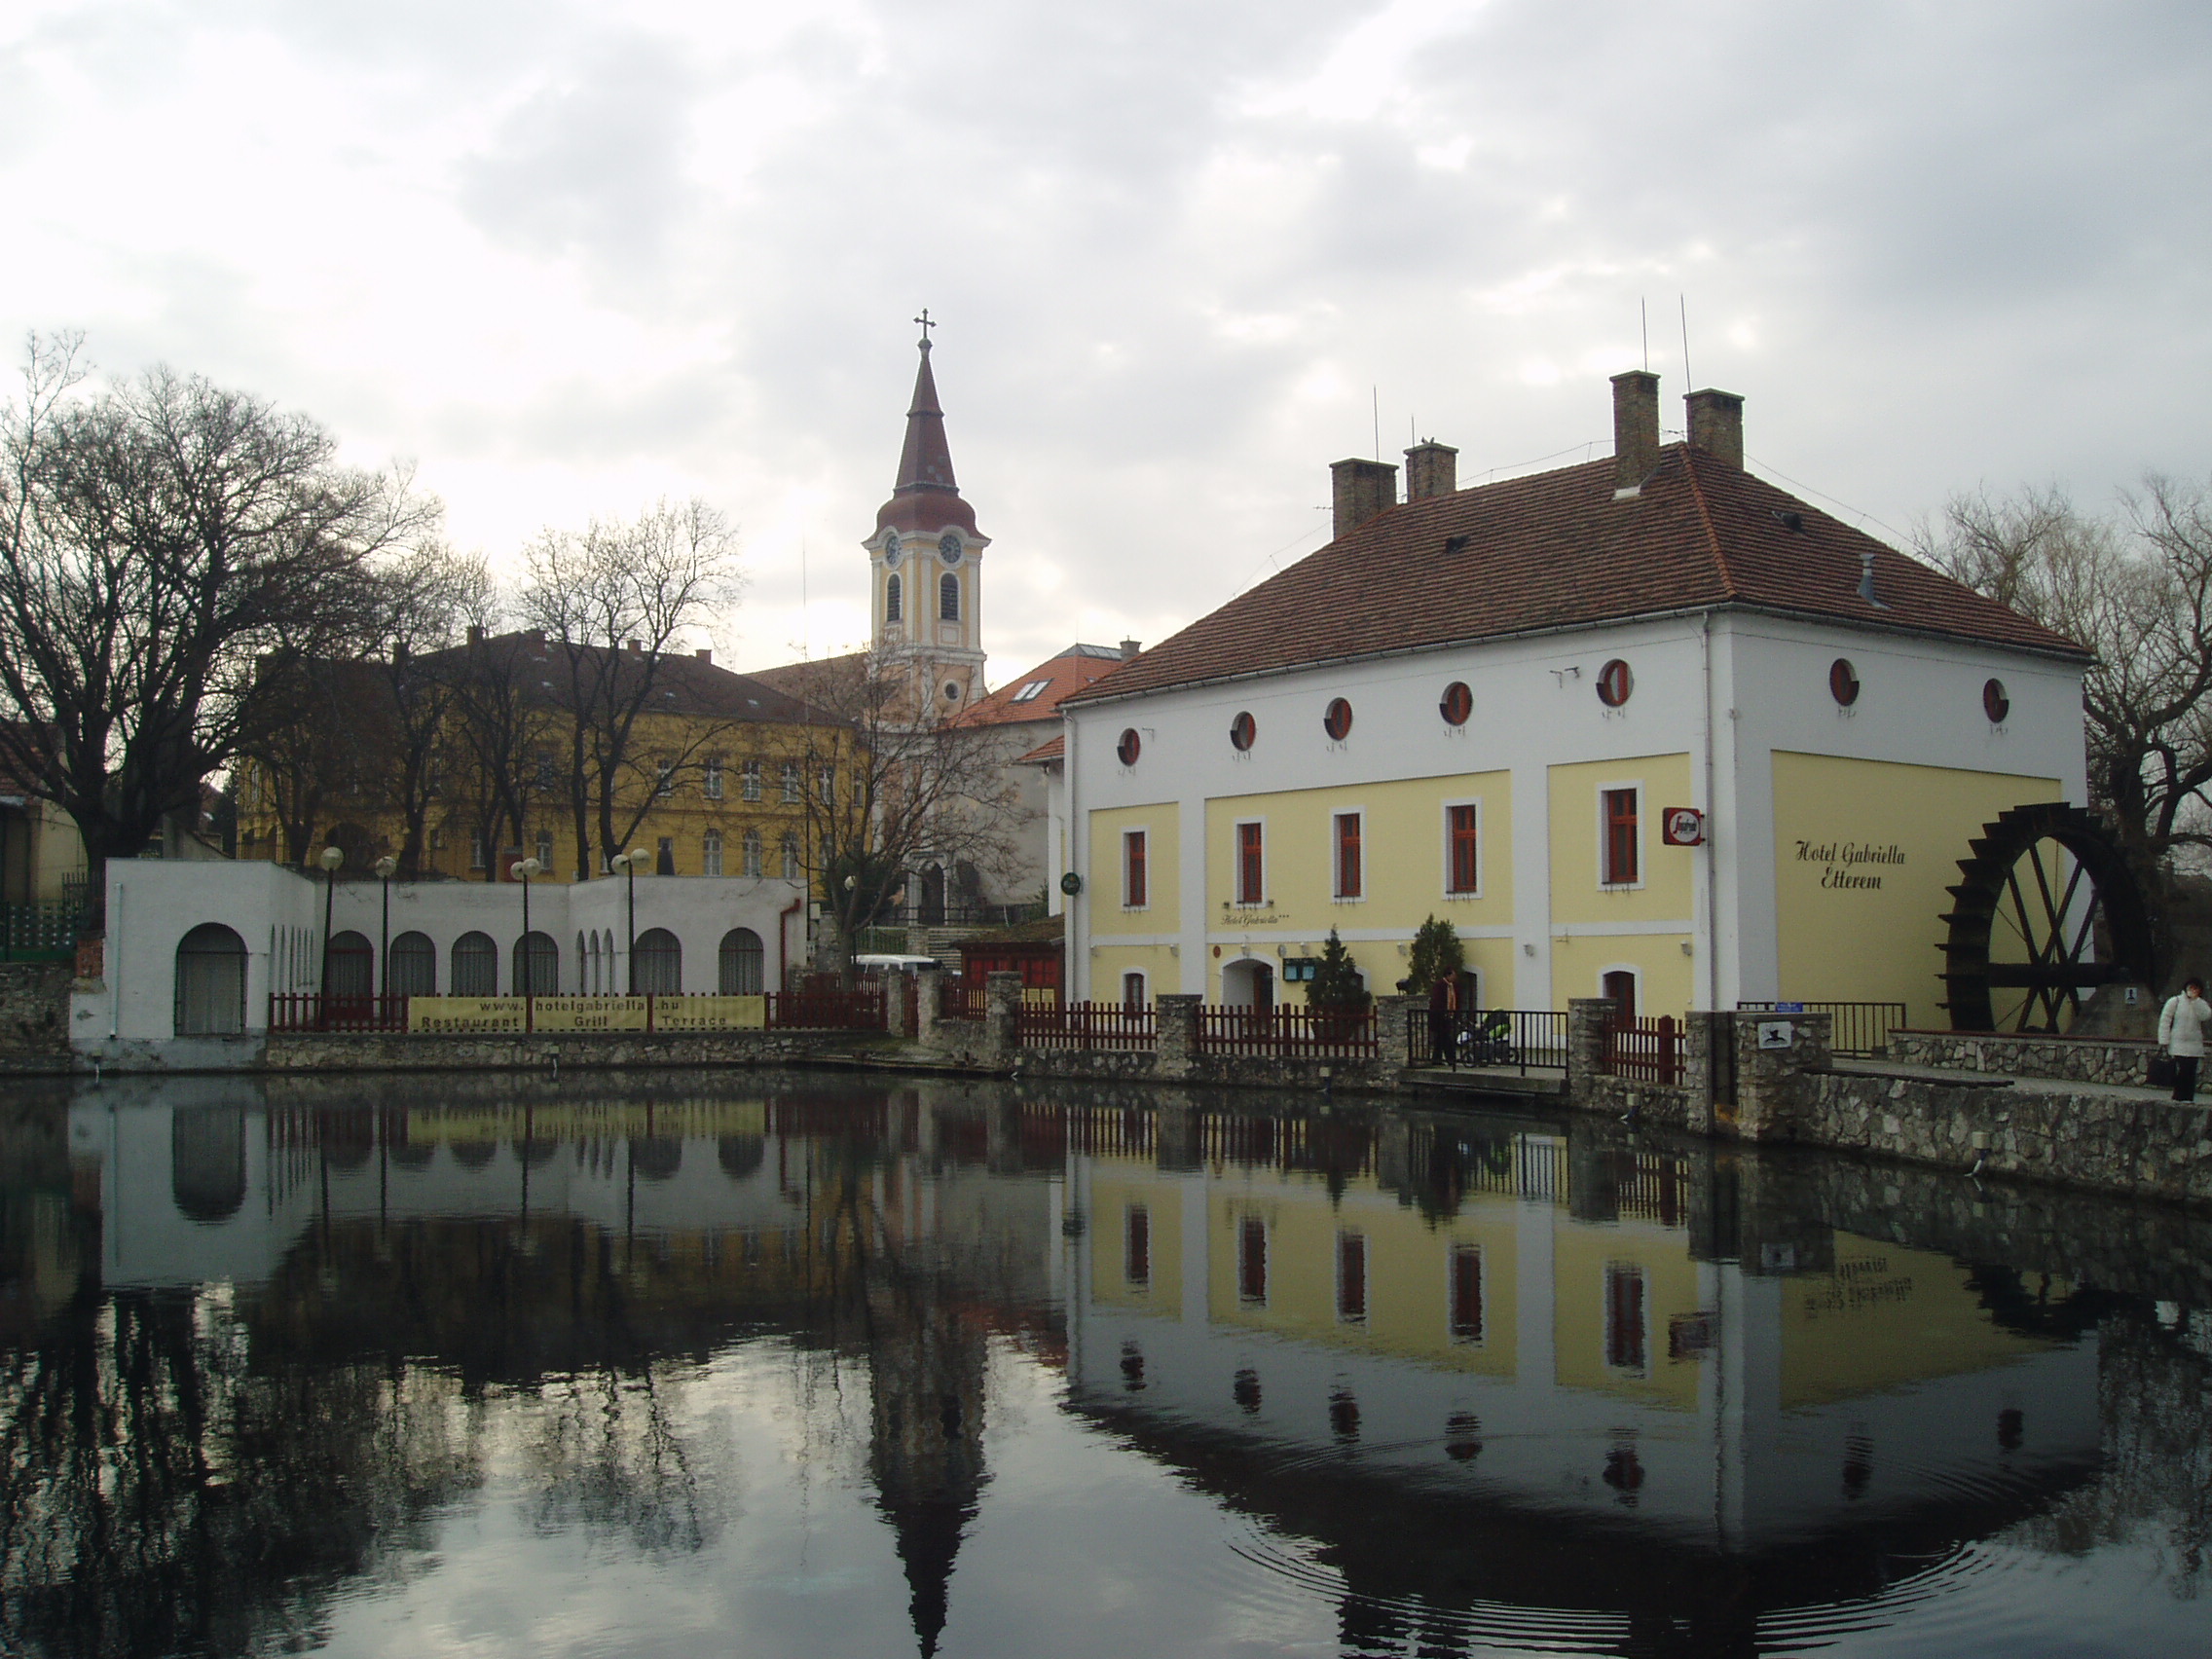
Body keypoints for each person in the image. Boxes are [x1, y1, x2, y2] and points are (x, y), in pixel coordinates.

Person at [2156, 977, 2212, 1102]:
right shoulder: (2175, 1001)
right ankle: (2178, 1096)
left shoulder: (2200, 1003)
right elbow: (2165, 1020)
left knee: (2191, 1072)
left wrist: (2195, 1001)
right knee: (2182, 1071)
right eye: (2191, 987)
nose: (2193, 990)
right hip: (2178, 1043)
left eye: (2196, 988)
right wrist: (2164, 1040)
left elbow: (2206, 1015)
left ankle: (2188, 1097)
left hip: (2194, 1045)